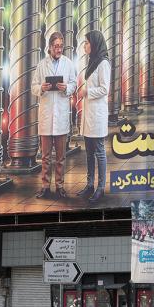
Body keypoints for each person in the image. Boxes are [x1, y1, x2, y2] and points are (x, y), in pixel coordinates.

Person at [32, 31, 76, 199]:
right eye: (56, 46)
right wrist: (41, 88)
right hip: (46, 115)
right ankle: (45, 185)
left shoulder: (68, 63)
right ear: (49, 47)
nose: (59, 49)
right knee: (45, 156)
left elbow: (74, 84)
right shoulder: (41, 65)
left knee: (60, 156)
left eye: (61, 46)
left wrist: (67, 88)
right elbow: (33, 86)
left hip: (61, 114)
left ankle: (60, 185)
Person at [78, 30, 110, 203]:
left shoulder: (103, 63)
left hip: (97, 114)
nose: (85, 45)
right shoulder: (92, 61)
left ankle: (100, 187)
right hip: (88, 113)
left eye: (87, 42)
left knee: (99, 152)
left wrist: (87, 91)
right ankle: (89, 184)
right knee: (89, 153)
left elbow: (105, 89)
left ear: (95, 44)